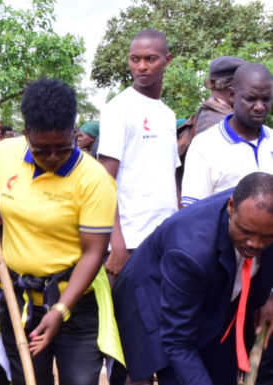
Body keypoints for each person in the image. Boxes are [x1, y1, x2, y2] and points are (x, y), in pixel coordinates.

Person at [0, 79, 121, 385]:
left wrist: (61, 310)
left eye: (62, 149)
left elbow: (94, 252)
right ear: (26, 136)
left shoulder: (93, 180)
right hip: (18, 302)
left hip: (76, 307)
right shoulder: (5, 154)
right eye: (41, 150)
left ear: (74, 134)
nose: (52, 158)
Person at [113, 172, 273, 384]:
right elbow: (178, 341)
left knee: (220, 369)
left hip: (216, 294)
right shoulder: (191, 252)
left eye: (267, 237)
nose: (255, 244)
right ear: (231, 207)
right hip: (152, 296)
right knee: (173, 372)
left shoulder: (258, 220)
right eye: (246, 232)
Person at [98, 29, 179, 279]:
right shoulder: (118, 109)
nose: (141, 66)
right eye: (135, 59)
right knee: (126, 316)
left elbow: (170, 178)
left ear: (167, 60)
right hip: (129, 243)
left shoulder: (167, 114)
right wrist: (116, 242)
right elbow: (103, 181)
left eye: (150, 59)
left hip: (164, 239)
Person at [181, 63, 273, 207]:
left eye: (266, 99)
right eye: (251, 99)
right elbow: (194, 213)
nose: (260, 106)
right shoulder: (204, 146)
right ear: (232, 95)